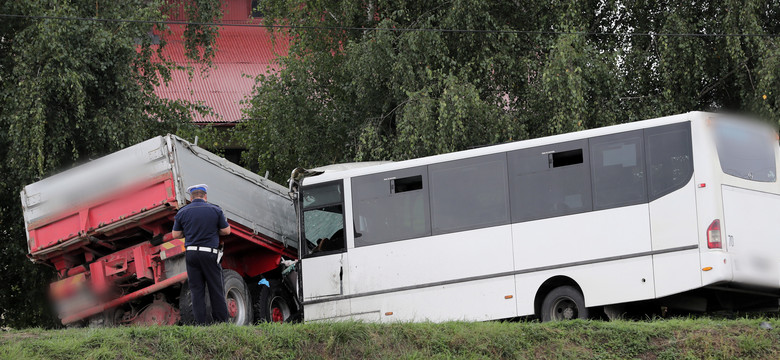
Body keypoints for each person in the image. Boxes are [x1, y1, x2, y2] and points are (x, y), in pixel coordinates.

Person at [171, 183, 231, 324]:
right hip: (209, 253)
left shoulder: (183, 212)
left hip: (192, 254)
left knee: (196, 290)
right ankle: (221, 322)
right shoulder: (215, 210)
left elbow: (175, 235)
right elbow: (227, 231)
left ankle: (201, 324)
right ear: (205, 196)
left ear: (191, 198)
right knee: (215, 288)